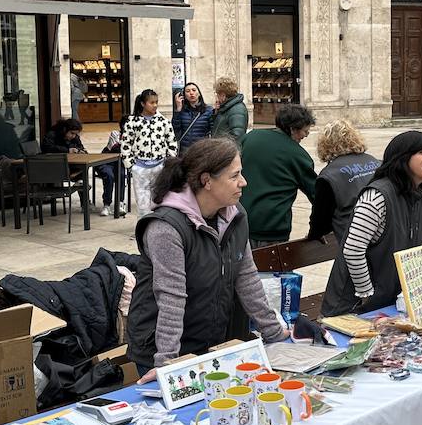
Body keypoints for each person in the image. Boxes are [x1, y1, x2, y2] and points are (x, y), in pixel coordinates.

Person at [125, 138, 291, 376]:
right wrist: (165, 365)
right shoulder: (165, 228)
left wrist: (273, 332)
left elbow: (247, 279)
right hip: (162, 350)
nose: (243, 182)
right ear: (207, 181)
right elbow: (171, 298)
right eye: (234, 176)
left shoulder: (235, 216)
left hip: (210, 343)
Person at [320, 131, 422, 317]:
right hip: (353, 308)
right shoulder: (376, 197)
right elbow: (353, 249)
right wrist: (366, 294)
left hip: (390, 305)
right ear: (403, 157)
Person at [237, 104, 317, 248]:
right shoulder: (298, 155)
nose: (306, 135)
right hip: (272, 228)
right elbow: (318, 194)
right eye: (305, 131)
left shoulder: (251, 137)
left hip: (239, 221)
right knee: (271, 269)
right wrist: (319, 229)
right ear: (293, 129)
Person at [305, 120, 379, 242]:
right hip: (383, 235)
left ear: (325, 145)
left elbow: (320, 219)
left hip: (355, 242)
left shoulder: (329, 175)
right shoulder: (376, 162)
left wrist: (314, 234)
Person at [123, 89, 177, 216]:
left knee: (159, 200)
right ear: (143, 104)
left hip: (160, 166)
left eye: (156, 102)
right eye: (151, 102)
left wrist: (168, 161)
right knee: (142, 203)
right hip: (140, 167)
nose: (155, 105)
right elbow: (126, 144)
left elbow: (172, 141)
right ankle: (143, 228)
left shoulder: (163, 121)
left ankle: (157, 227)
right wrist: (131, 165)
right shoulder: (132, 122)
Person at [171, 82, 214, 152]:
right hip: (185, 150)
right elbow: (175, 129)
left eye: (194, 90)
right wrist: (178, 110)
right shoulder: (182, 111)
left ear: (199, 93)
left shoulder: (208, 110)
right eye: (188, 91)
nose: (191, 93)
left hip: (201, 150)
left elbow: (213, 130)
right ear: (184, 95)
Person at [210, 76, 249, 141]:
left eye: (217, 94)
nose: (216, 96)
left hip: (226, 149)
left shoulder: (237, 109)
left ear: (223, 95)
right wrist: (216, 112)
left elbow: (237, 136)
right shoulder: (226, 107)